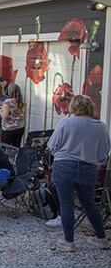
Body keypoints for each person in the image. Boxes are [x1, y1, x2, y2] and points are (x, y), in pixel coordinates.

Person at [47, 95, 111, 252]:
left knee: (66, 203)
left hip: (64, 164)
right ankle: (101, 238)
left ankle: (69, 241)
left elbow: (52, 145)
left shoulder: (66, 122)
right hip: (88, 167)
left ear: (73, 107)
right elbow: (104, 152)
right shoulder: (100, 126)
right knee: (88, 202)